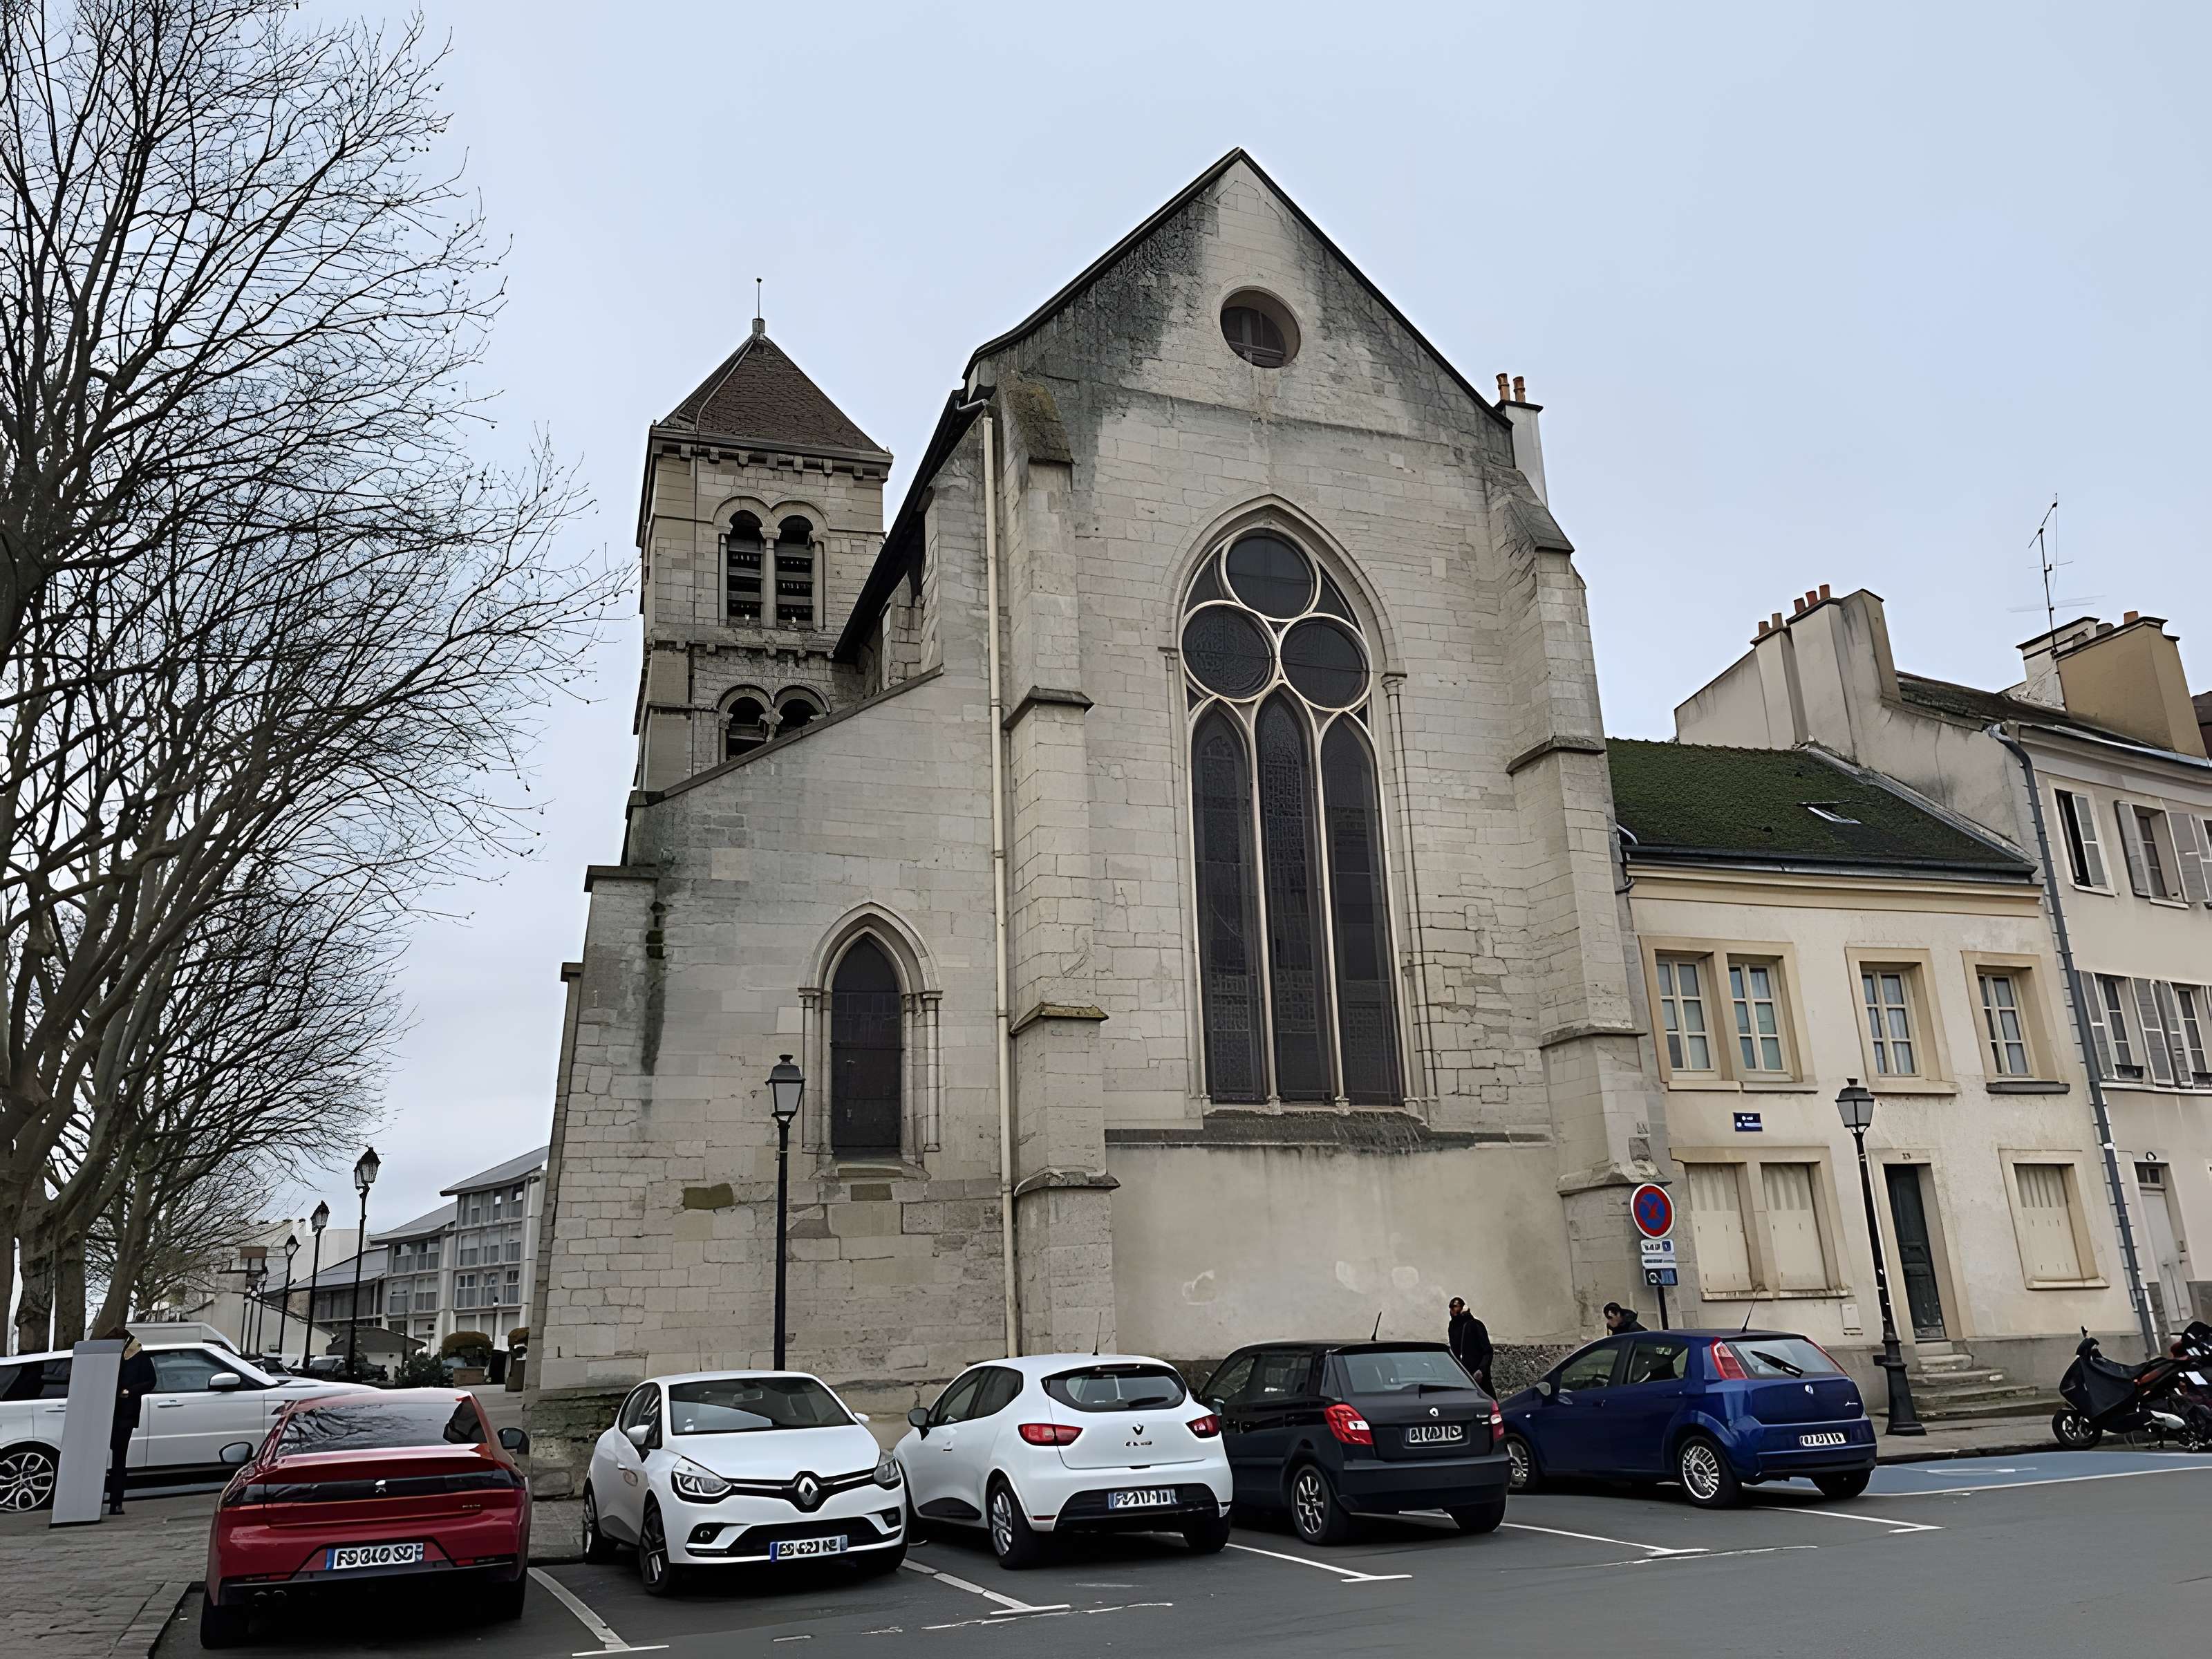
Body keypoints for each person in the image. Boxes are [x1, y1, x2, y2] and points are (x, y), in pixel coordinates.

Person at [101, 1326, 156, 1516]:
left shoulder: (139, 1357)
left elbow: (151, 1382)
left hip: (124, 1414)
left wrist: (128, 1391)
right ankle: (102, 1499)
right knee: (111, 1460)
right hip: (106, 1413)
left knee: (118, 1460)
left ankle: (116, 1502)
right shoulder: (109, 1356)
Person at [1447, 1297, 1492, 1391]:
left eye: (1455, 1306)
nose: (1452, 1310)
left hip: (1477, 1377)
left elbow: (1488, 1351)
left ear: (1462, 1308)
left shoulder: (1475, 1325)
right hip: (1462, 1377)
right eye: (1451, 1307)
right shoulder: (1452, 1327)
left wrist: (1481, 1370)